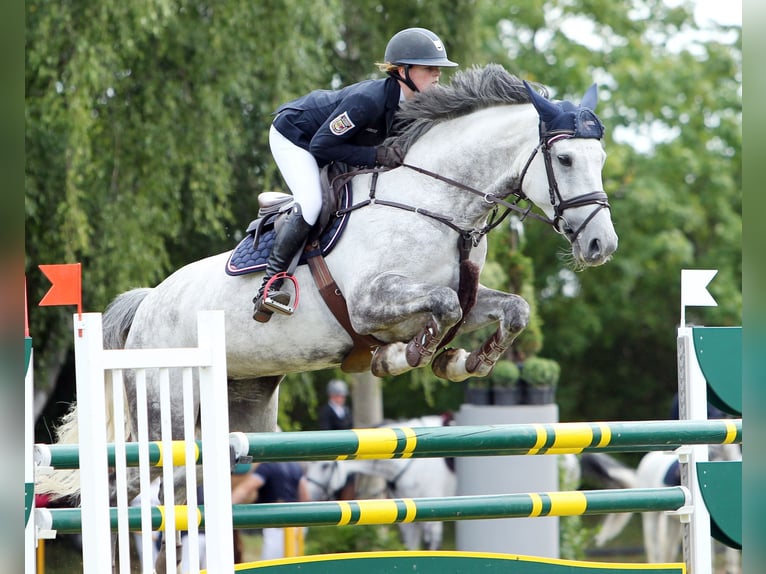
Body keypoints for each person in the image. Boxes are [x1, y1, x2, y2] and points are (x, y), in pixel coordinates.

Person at [253, 27, 459, 321]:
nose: (437, 75)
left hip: (332, 143)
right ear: (402, 71)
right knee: (312, 202)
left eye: (438, 69)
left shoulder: (415, 104)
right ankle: (270, 286)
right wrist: (376, 155)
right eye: (429, 68)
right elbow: (321, 146)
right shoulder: (369, 100)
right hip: (295, 136)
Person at [231, 461, 311, 560]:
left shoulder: (267, 466)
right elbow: (305, 497)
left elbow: (246, 488)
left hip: (276, 526)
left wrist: (227, 507)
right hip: (297, 526)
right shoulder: (295, 466)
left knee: (271, 566)